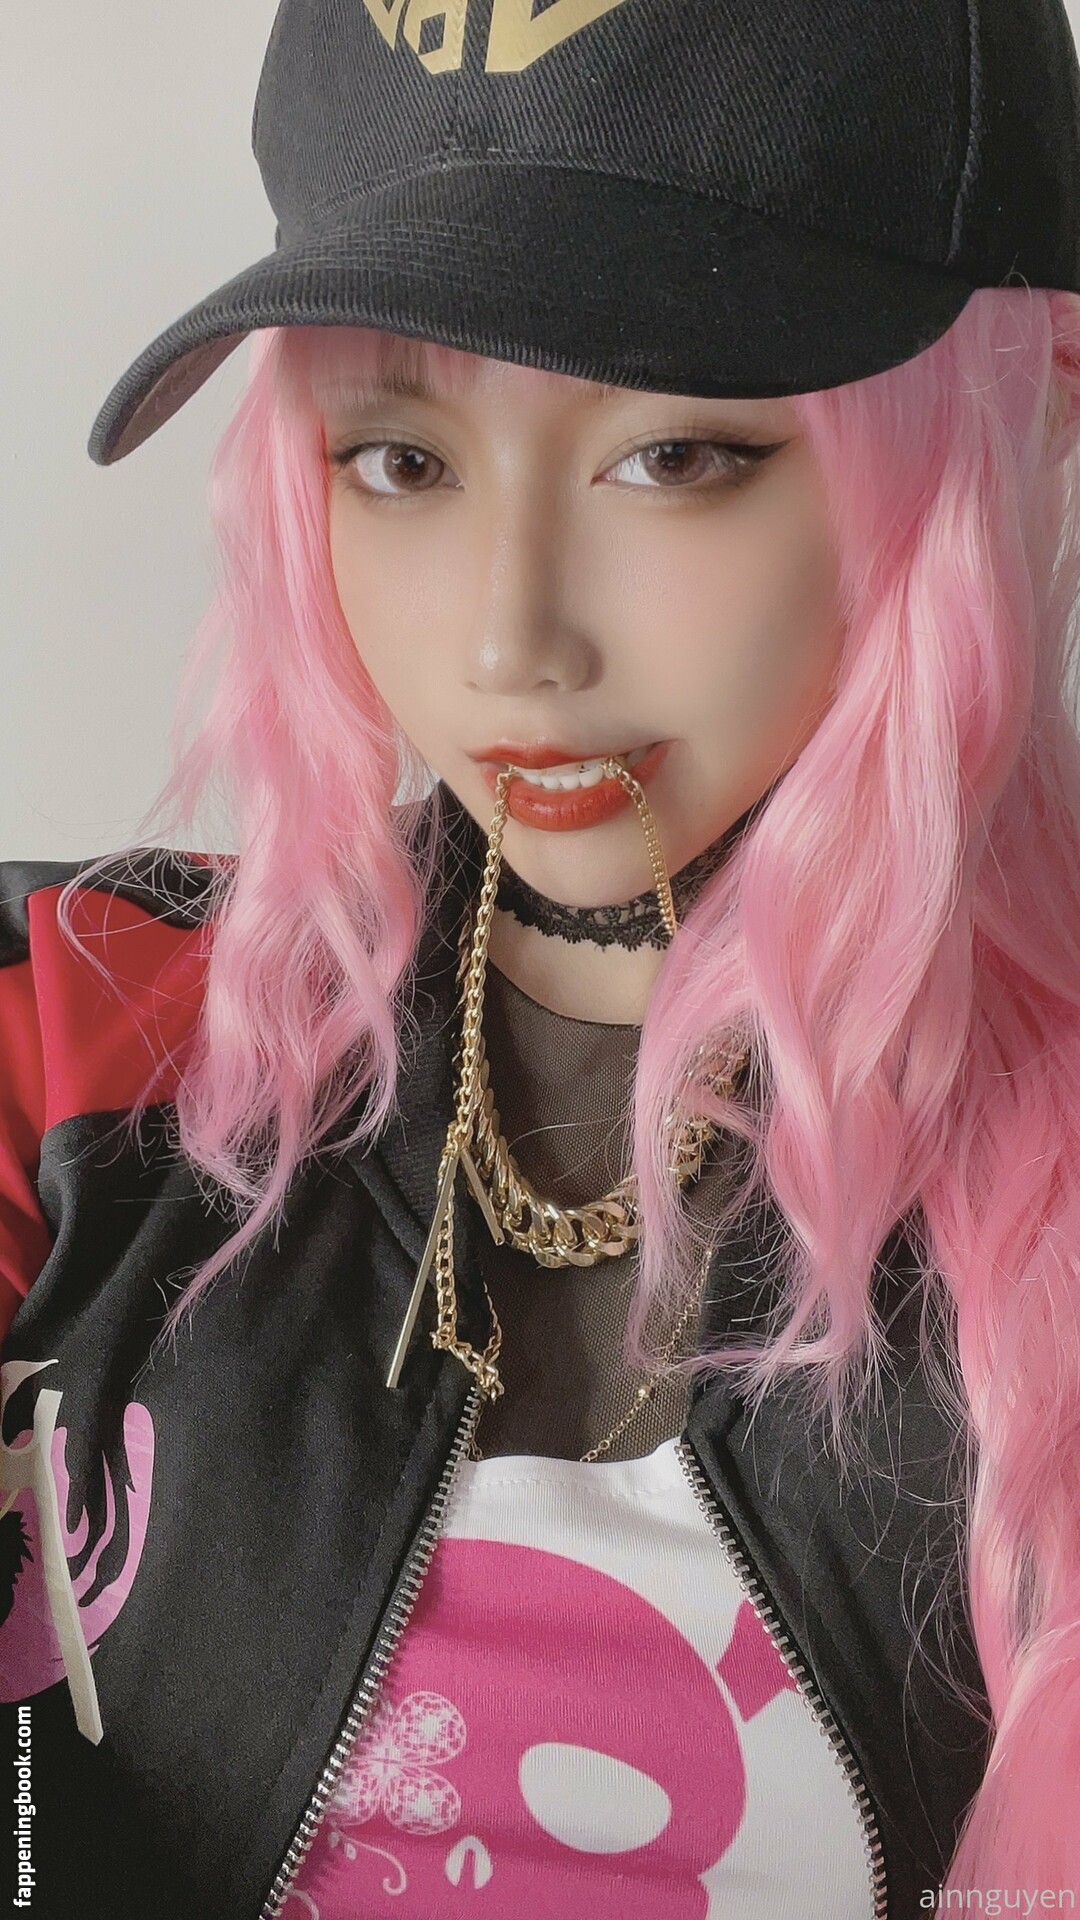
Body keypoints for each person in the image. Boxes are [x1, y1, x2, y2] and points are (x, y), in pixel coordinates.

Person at [4, 0, 1080, 1914]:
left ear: (1016, 412)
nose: (511, 642)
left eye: (674, 454)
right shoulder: (82, 1037)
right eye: (400, 460)